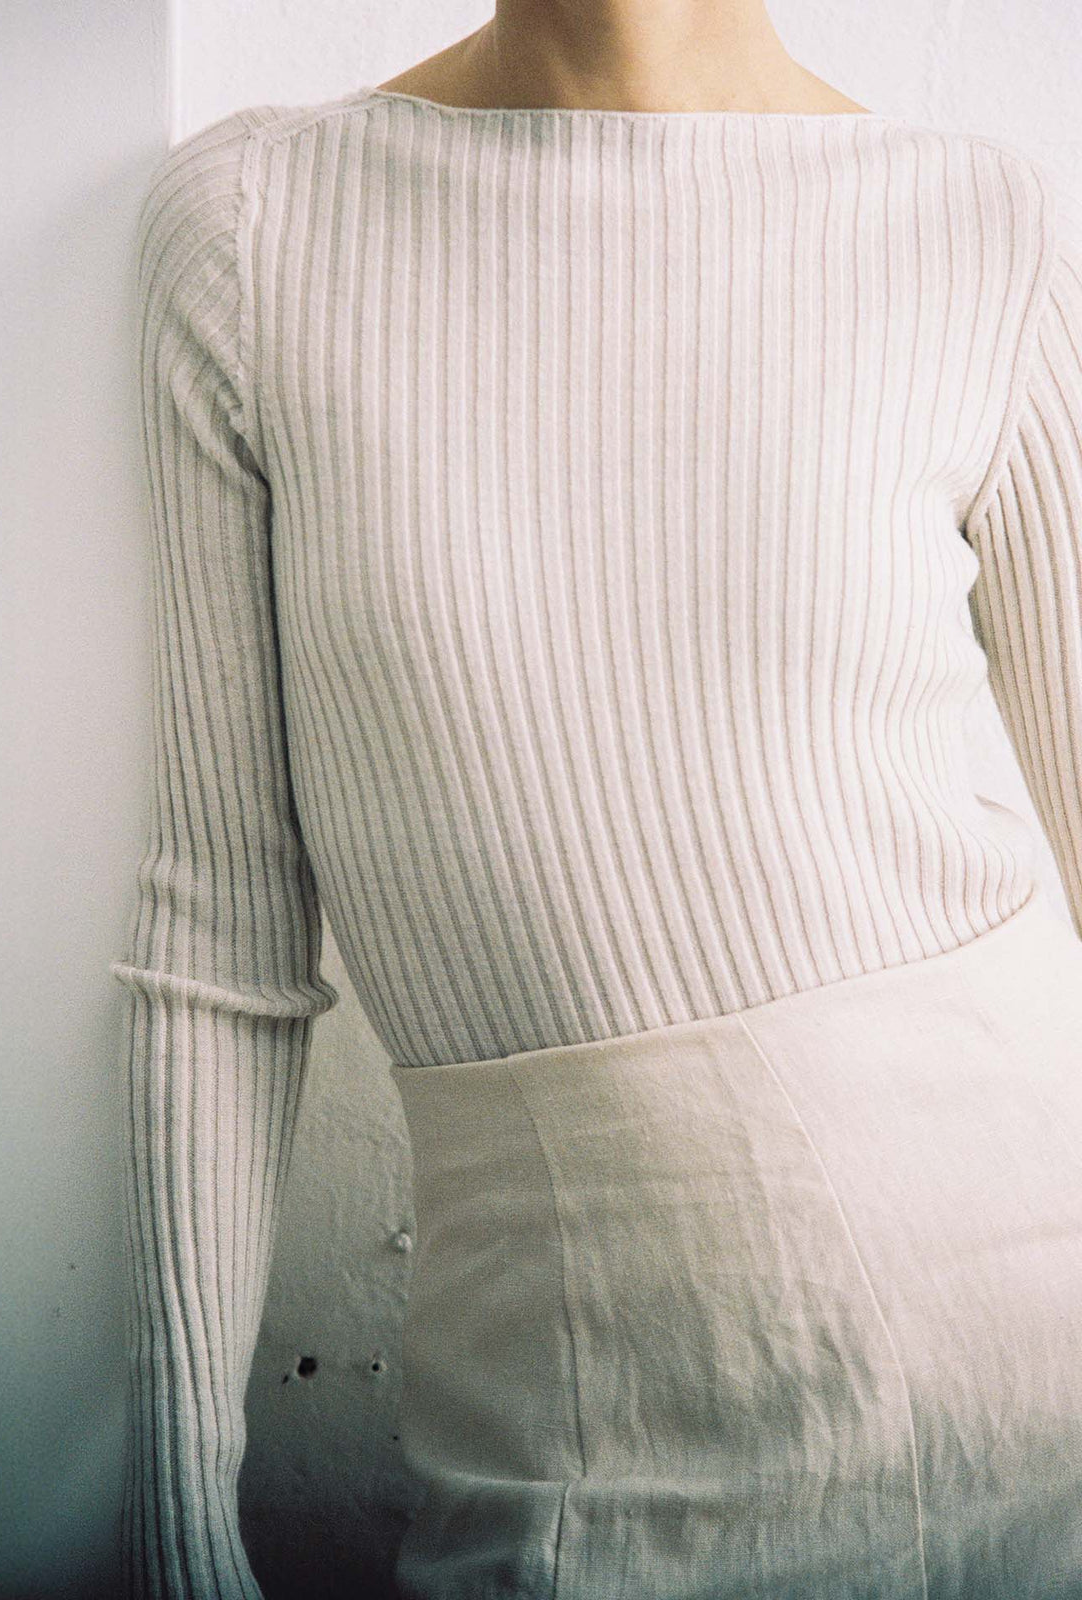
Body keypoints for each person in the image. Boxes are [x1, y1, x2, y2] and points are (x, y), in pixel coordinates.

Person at [109, 2, 1082, 1596]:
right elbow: (218, 932)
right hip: (577, 1443)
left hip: (1043, 1392)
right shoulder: (256, 231)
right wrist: (173, 1528)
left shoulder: (987, 233)